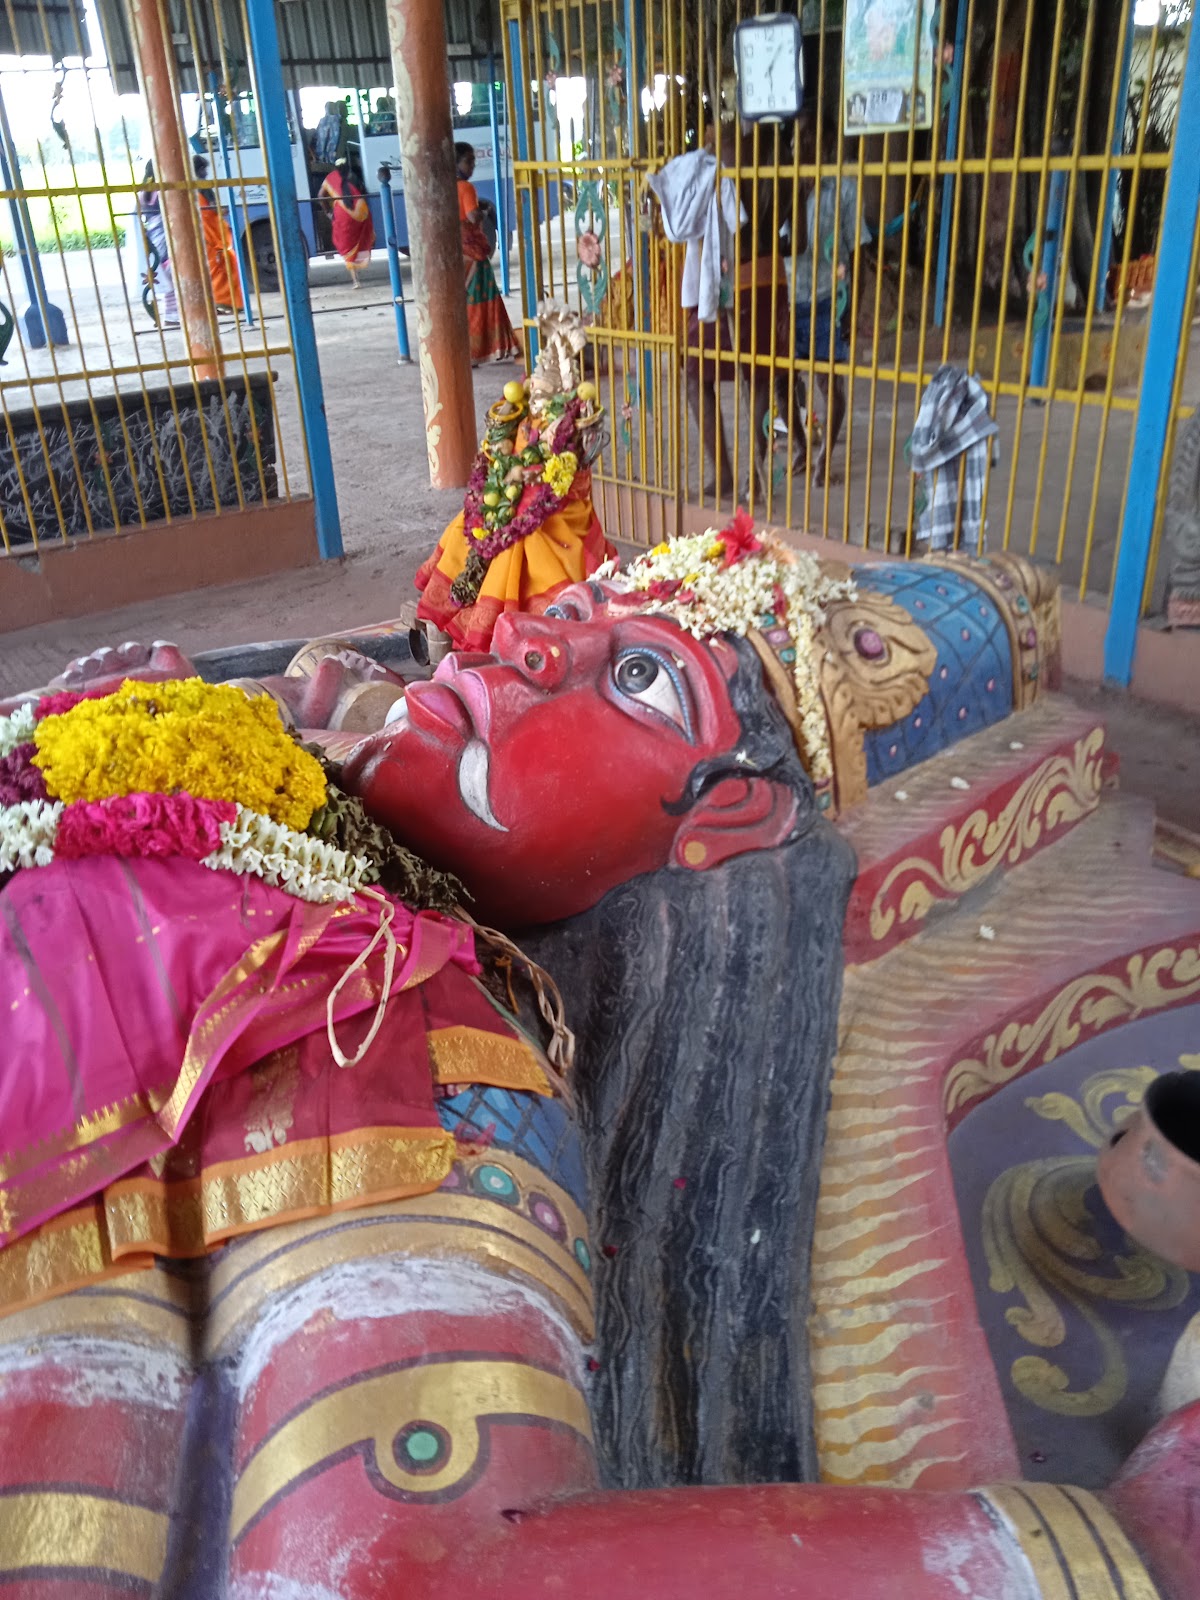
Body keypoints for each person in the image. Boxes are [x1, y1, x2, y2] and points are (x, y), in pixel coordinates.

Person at [793, 112, 870, 484]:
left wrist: (852, 307)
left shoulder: (844, 188)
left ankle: (824, 456)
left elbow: (859, 255)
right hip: (788, 298)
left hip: (828, 297)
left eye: (809, 140)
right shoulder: (780, 184)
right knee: (781, 379)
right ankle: (801, 444)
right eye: (796, 142)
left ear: (823, 145)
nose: (802, 148)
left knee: (829, 382)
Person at [456, 141, 519, 364]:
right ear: (457, 163)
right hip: (473, 253)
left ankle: (466, 350)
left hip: (456, 252)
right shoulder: (466, 188)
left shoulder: (445, 186)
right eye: (468, 161)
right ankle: (484, 350)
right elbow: (472, 217)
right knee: (483, 301)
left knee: (463, 302)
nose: (472, 165)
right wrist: (484, 211)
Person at [193, 154, 244, 314]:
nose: (206, 173)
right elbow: (216, 209)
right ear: (199, 170)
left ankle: (216, 303)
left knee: (211, 270)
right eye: (204, 169)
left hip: (203, 235)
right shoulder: (204, 187)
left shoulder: (190, 187)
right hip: (214, 238)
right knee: (226, 267)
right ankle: (226, 302)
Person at [319, 156, 375, 285]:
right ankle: (360, 266)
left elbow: (320, 195)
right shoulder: (354, 176)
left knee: (347, 245)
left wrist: (327, 211)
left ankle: (356, 280)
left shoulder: (331, 177)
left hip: (343, 214)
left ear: (335, 168)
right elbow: (363, 192)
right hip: (361, 212)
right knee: (360, 240)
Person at [139, 159, 178, 326]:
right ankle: (173, 313)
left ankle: (171, 313)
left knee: (165, 273)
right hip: (166, 235)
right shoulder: (162, 191)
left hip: (153, 237)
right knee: (174, 274)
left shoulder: (143, 192)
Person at [313, 99, 345, 168]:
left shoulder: (322, 121)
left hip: (320, 154)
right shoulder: (338, 121)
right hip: (334, 154)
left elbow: (316, 136)